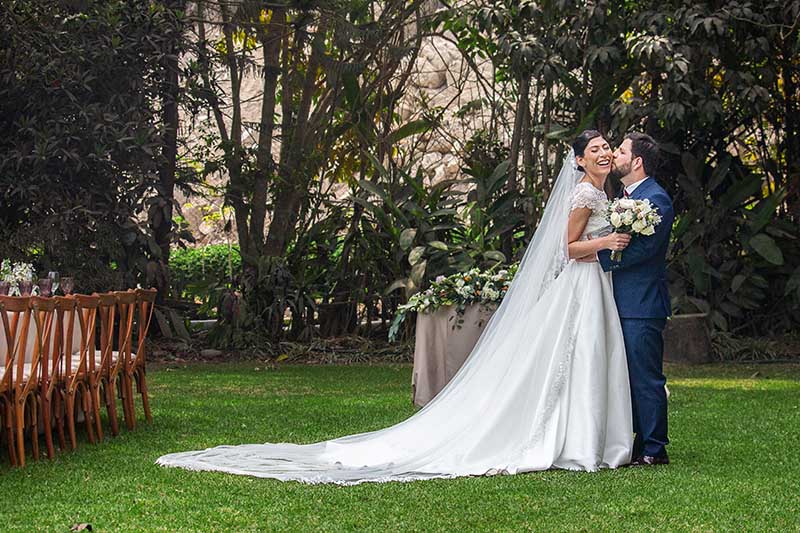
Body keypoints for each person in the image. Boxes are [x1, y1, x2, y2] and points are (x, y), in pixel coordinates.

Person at [157, 131, 635, 485]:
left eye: (607, 147)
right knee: (577, 353)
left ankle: (588, 437)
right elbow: (565, 248)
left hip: (595, 285)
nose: (603, 152)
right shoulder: (584, 193)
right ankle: (574, 440)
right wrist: (606, 240)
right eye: (593, 148)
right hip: (580, 279)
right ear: (577, 160)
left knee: (587, 357)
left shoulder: (610, 192)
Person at [596, 132, 674, 465]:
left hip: (641, 303)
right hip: (624, 301)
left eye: (622, 150)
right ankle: (641, 442)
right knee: (629, 377)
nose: (615, 154)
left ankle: (655, 449)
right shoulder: (625, 197)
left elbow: (645, 250)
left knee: (646, 377)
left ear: (637, 162)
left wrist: (600, 256)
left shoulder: (656, 199)